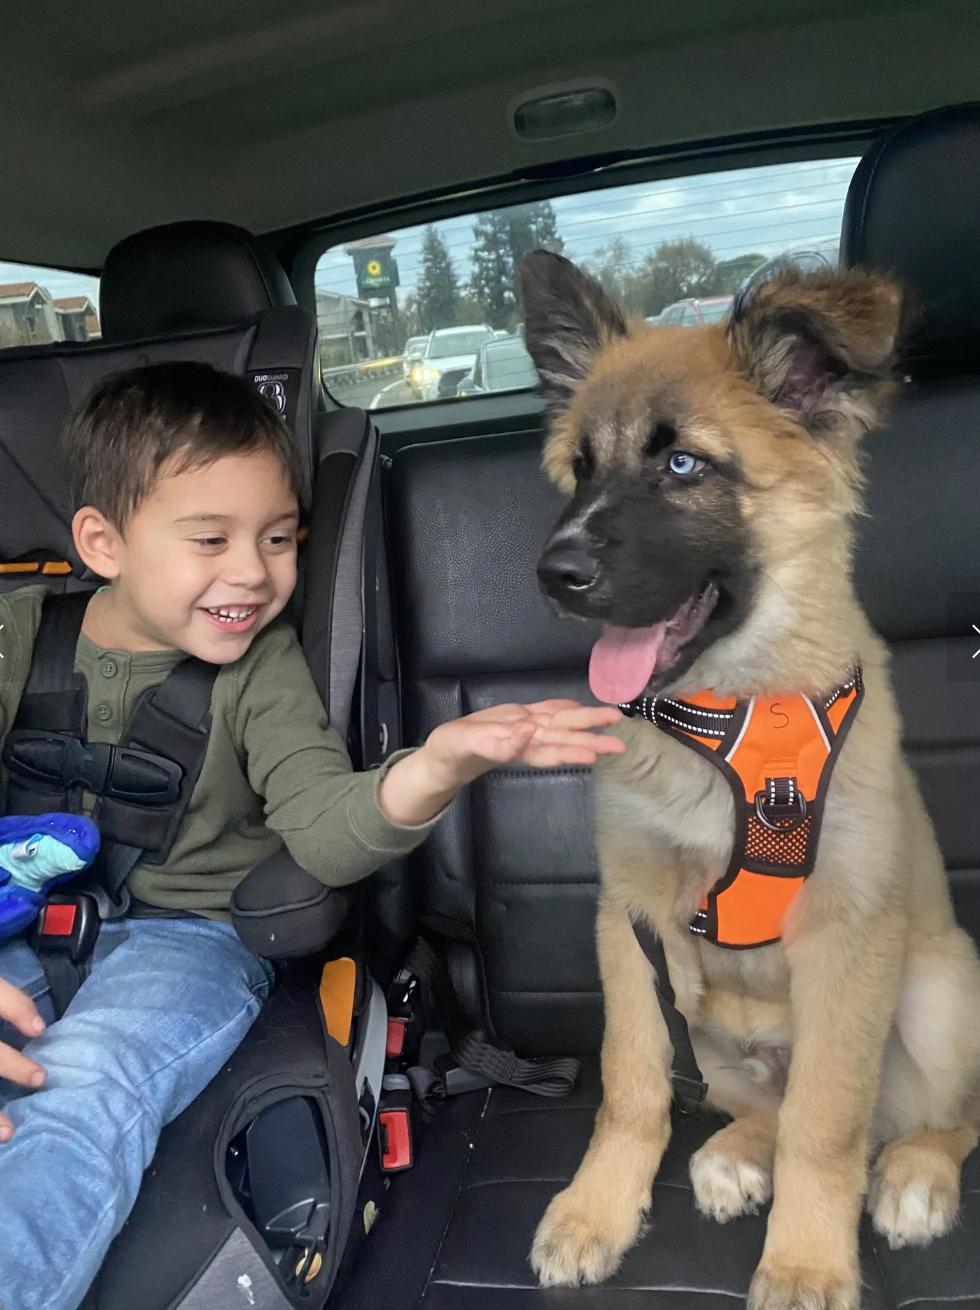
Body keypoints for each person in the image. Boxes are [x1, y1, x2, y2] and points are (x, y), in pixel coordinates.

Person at [0, 361, 624, 1310]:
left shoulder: (260, 667)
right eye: (210, 539)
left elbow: (326, 831)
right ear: (103, 542)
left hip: (189, 941)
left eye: (279, 538)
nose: (254, 572)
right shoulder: (19, 634)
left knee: (83, 1083)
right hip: (21, 917)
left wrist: (439, 763)